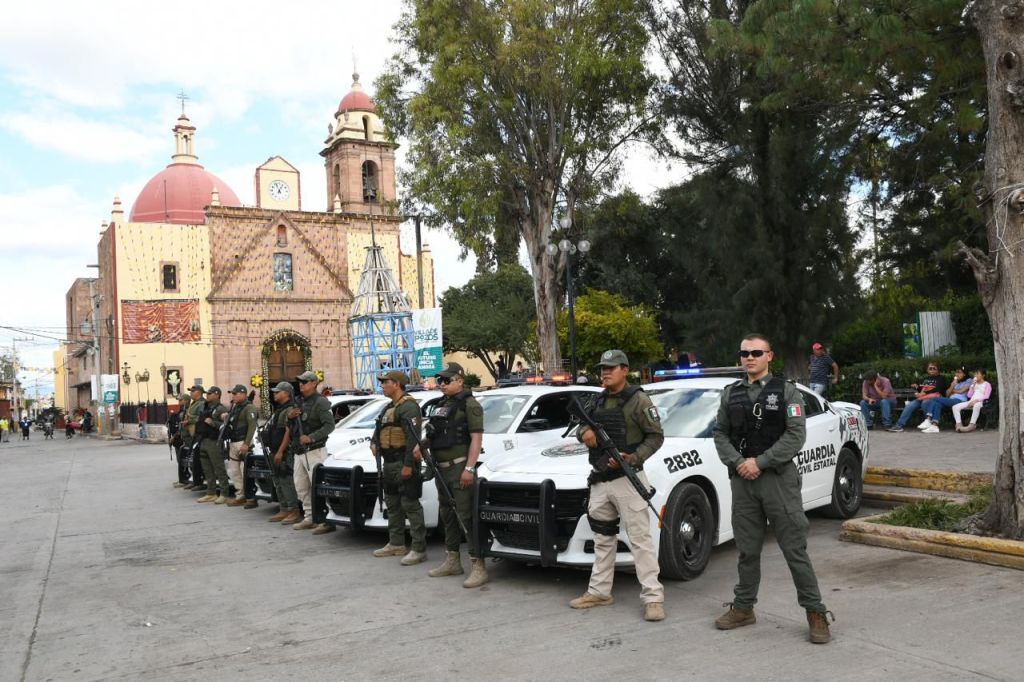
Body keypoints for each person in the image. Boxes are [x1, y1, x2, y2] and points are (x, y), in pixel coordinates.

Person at [713, 333, 833, 643]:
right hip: (743, 482)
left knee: (794, 550)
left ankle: (815, 612)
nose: (749, 357)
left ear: (770, 356)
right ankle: (743, 607)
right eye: (744, 353)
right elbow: (720, 435)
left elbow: (795, 437)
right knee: (747, 550)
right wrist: (739, 462)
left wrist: (759, 462)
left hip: (778, 480)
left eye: (756, 352)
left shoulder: (787, 393)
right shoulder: (731, 394)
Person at [569, 349, 666, 622]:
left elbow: (656, 437)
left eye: (611, 368)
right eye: (603, 368)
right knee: (602, 539)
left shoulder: (638, 400)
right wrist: (584, 431)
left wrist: (633, 458)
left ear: (625, 369)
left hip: (627, 478)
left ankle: (653, 597)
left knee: (640, 542)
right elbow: (578, 425)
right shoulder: (597, 400)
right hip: (600, 479)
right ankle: (599, 591)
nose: (605, 372)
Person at [415, 362, 488, 588]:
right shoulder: (441, 405)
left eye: (447, 380)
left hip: (459, 468)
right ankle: (453, 560)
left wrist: (469, 468)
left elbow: (476, 438)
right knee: (447, 515)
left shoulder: (470, 405)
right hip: (440, 468)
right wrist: (422, 445)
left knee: (465, 516)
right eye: (441, 380)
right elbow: (436, 433)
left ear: (460, 380)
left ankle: (478, 565)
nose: (442, 384)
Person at [370, 370, 427, 560]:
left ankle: (418, 549)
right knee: (393, 505)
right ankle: (396, 543)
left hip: (403, 461)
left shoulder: (409, 407)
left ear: (396, 384)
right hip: (389, 463)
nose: (383, 385)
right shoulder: (388, 407)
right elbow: (380, 427)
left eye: (385, 382)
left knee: (410, 505)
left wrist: (408, 465)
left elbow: (413, 438)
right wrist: (374, 442)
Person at [290, 370, 335, 532]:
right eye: (300, 382)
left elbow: (330, 426)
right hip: (299, 450)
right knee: (301, 486)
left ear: (314, 383)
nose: (301, 385)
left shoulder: (320, 402)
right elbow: (290, 424)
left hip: (314, 450)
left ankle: (328, 519)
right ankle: (310, 517)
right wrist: (290, 416)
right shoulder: (298, 401)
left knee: (319, 485)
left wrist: (312, 437)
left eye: (305, 382)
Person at [266, 382, 302, 524]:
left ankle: (294, 510)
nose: (274, 394)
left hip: (284, 451)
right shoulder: (279, 409)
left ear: (286, 393)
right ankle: (284, 508)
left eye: (277, 392)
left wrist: (280, 451)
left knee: (286, 481)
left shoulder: (289, 409)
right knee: (278, 481)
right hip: (274, 450)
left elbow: (288, 433)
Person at [887, 362, 949, 433]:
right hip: (922, 398)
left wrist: (924, 393)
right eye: (930, 368)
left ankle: (929, 424)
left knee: (925, 403)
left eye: (934, 368)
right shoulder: (926, 379)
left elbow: (938, 389)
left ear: (938, 370)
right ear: (927, 370)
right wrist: (917, 387)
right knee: (910, 405)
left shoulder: (941, 378)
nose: (932, 370)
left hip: (933, 399)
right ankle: (899, 425)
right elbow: (922, 388)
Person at [224, 385, 259, 507]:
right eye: (233, 394)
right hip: (233, 442)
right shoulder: (235, 407)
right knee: (234, 471)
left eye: (236, 393)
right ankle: (241, 495)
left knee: (246, 472)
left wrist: (246, 443)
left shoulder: (249, 408)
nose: (233, 396)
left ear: (243, 394)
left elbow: (252, 426)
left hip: (243, 442)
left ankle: (251, 498)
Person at [195, 386, 230, 504]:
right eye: (207, 393)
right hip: (204, 440)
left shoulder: (221, 409)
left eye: (209, 394)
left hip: (214, 441)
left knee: (219, 468)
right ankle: (211, 493)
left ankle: (224, 493)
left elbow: (226, 424)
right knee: (207, 469)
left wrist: (213, 423)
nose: (207, 395)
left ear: (217, 395)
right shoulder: (206, 407)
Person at [181, 385, 206, 491]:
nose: (191, 393)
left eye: (193, 391)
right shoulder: (194, 403)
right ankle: (194, 479)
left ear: (199, 392)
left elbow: (201, 418)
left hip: (197, 434)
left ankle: (199, 482)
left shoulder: (202, 403)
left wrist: (189, 421)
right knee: (191, 459)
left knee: (197, 460)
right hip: (190, 434)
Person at [169, 394, 190, 487]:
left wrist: (174, 437)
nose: (179, 402)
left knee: (183, 461)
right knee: (180, 460)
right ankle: (182, 479)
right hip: (179, 440)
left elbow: (181, 427)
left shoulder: (186, 411)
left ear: (186, 400)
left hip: (183, 439)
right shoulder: (182, 411)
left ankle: (185, 480)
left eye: (181, 400)